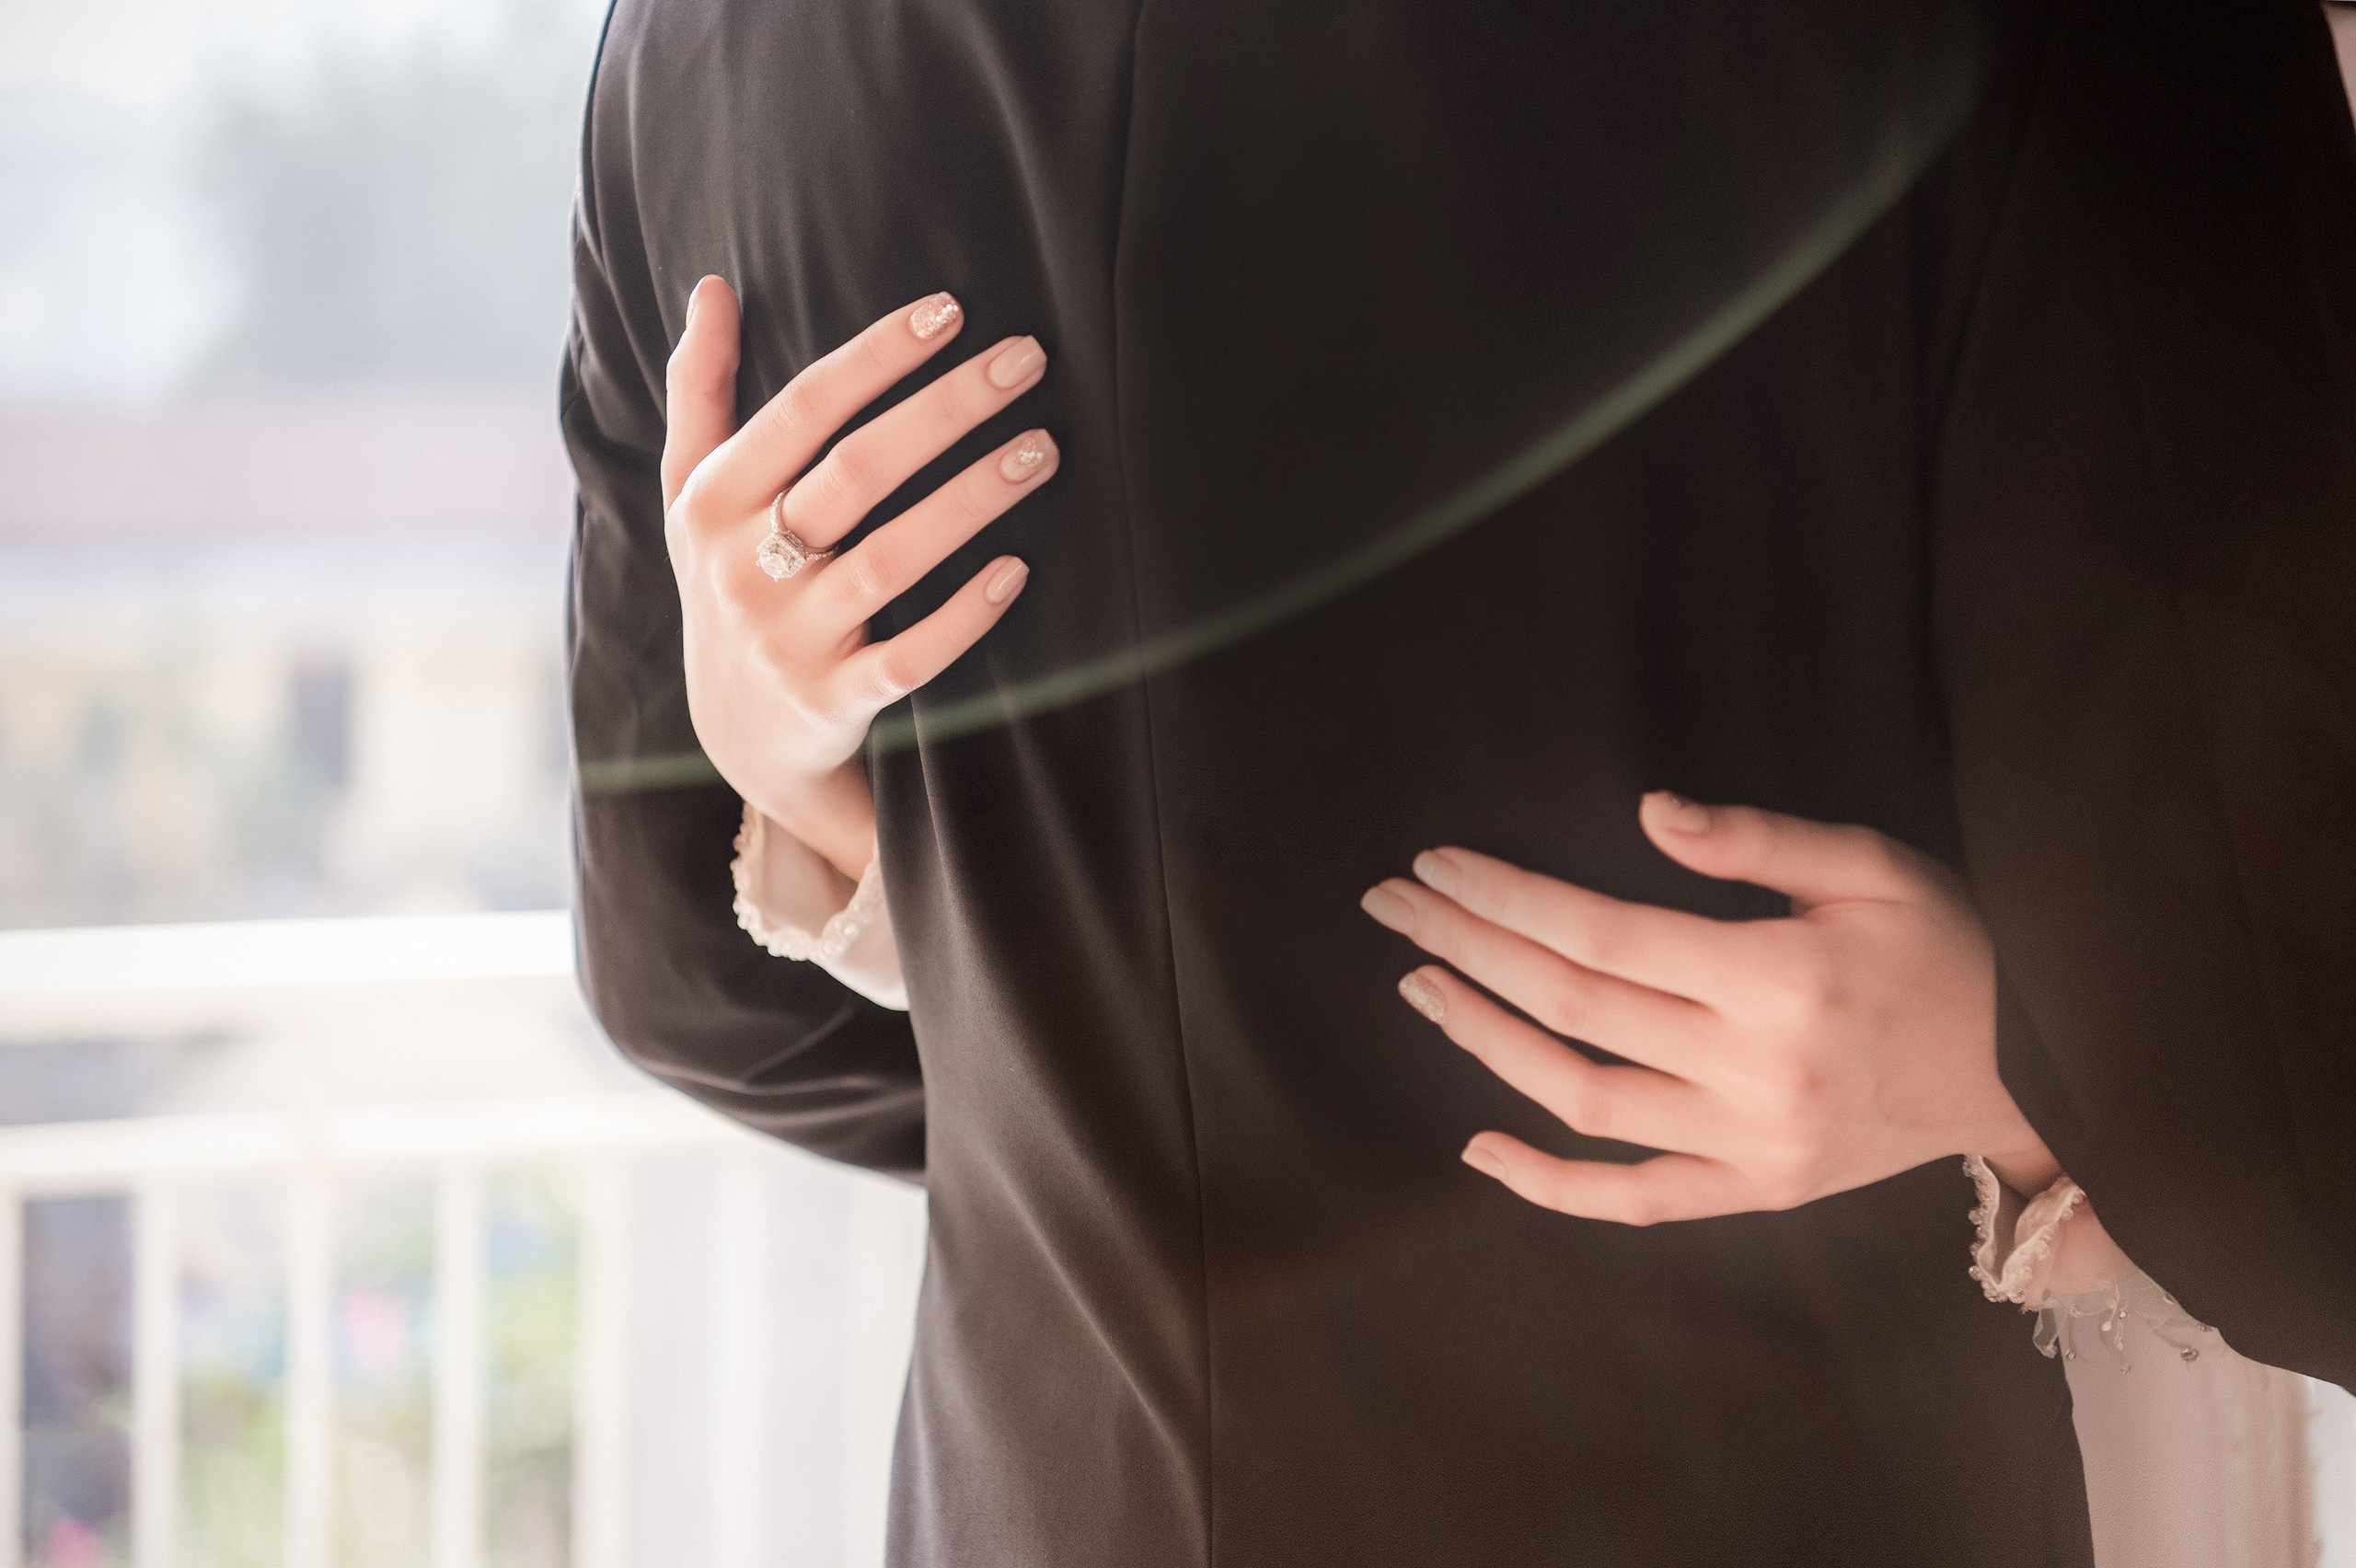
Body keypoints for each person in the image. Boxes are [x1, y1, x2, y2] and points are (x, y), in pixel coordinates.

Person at [561, 0, 2356, 1562]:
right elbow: (2299, 1119)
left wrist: (809, 807)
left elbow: (681, 986)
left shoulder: (696, 44)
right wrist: (2013, 1076)